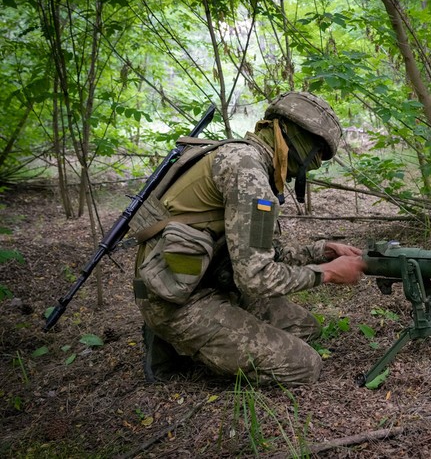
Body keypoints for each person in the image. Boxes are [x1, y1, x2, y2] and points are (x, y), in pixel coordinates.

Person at [132, 92, 366, 386]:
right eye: (316, 151)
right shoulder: (248, 172)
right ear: (294, 137)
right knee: (304, 366)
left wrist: (321, 251)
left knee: (307, 329)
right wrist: (329, 273)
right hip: (177, 301)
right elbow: (256, 279)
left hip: (208, 279)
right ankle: (175, 341)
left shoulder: (246, 160)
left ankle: (203, 332)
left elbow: (261, 253)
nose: (315, 162)